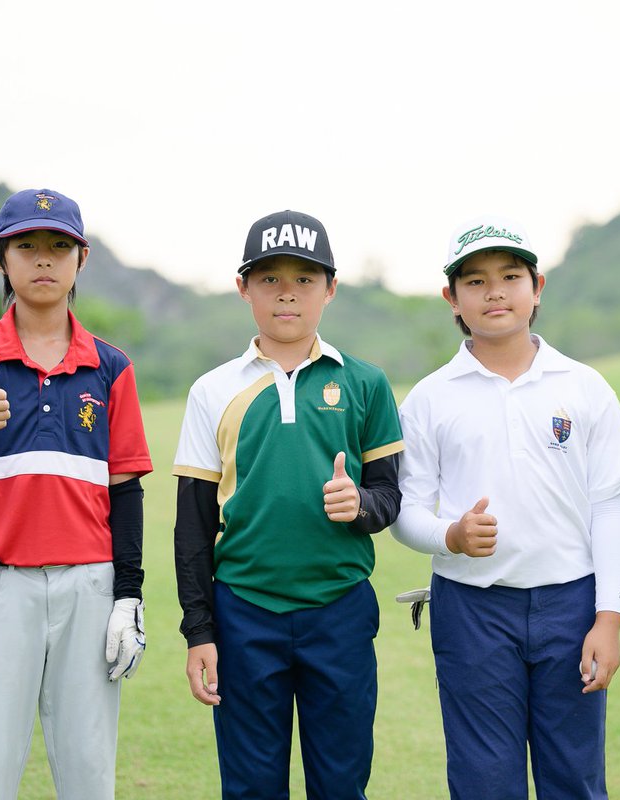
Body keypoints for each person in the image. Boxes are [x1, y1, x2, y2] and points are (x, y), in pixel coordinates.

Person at [394, 215, 620, 800]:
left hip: (571, 603)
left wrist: (609, 618)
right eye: (474, 282)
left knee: (573, 780)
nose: (494, 291)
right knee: (484, 782)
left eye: (509, 276)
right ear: (452, 299)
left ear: (537, 288)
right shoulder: (430, 397)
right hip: (472, 610)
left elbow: (609, 507)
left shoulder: (584, 387)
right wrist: (450, 535)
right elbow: (405, 510)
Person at [173, 210, 404, 800]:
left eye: (304, 279)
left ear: (329, 288)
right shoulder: (212, 390)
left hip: (340, 611)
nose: (287, 294)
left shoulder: (366, 383)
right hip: (244, 612)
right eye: (270, 279)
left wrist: (360, 505)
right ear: (243, 288)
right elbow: (193, 525)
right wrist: (200, 629)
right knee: (251, 788)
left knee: (342, 785)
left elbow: (389, 496)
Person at [0, 188, 153, 799]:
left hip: (89, 586)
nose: (44, 259)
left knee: (87, 775)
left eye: (59, 246)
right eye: (26, 246)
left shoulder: (111, 368)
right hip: (0, 587)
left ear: (81, 260)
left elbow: (126, 486)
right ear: (1, 259)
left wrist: (128, 596)